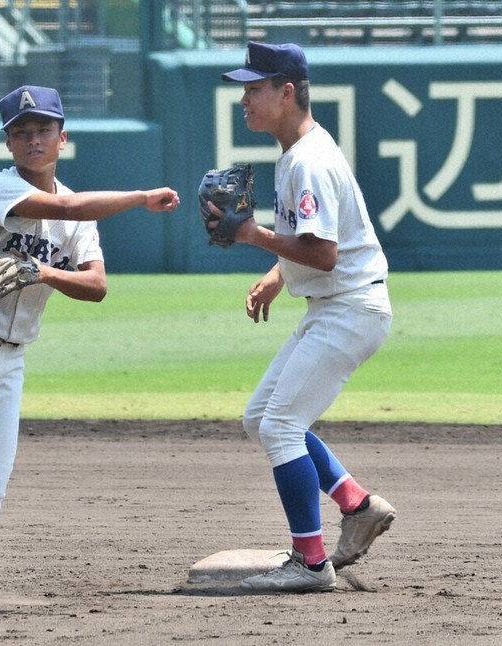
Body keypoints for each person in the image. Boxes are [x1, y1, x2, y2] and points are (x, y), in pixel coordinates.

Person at [0, 85, 180, 608]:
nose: (32, 140)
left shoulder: (80, 222)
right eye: (20, 132)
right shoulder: (1, 188)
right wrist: (139, 199)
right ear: (8, 143)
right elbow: (64, 205)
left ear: (62, 137)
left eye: (43, 129)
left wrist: (41, 270)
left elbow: (97, 286)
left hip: (11, 358)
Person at [211, 42, 397, 593]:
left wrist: (249, 234)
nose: (243, 99)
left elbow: (324, 254)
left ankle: (310, 563)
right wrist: (277, 273)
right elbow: (311, 245)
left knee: (281, 426)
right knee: (261, 418)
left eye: (253, 88)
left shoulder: (308, 160)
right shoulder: (299, 150)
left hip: (349, 308)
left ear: (286, 91)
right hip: (338, 304)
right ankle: (356, 505)